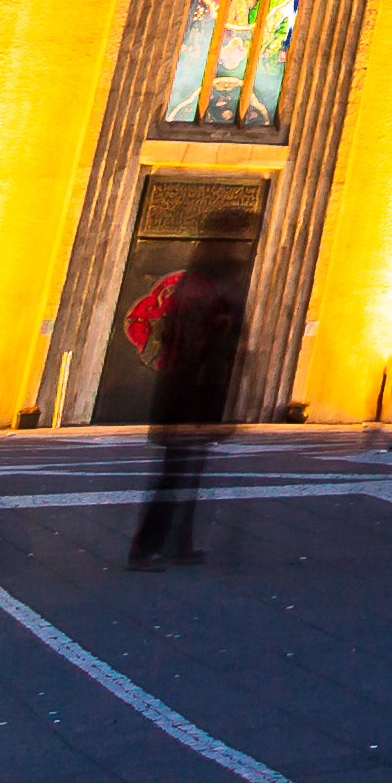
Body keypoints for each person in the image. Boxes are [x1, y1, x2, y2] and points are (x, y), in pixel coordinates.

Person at [127, 211, 255, 567]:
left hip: (201, 394)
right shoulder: (203, 283)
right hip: (187, 395)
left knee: (189, 473)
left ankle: (177, 544)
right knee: (173, 476)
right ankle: (145, 548)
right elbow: (194, 338)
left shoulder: (217, 280)